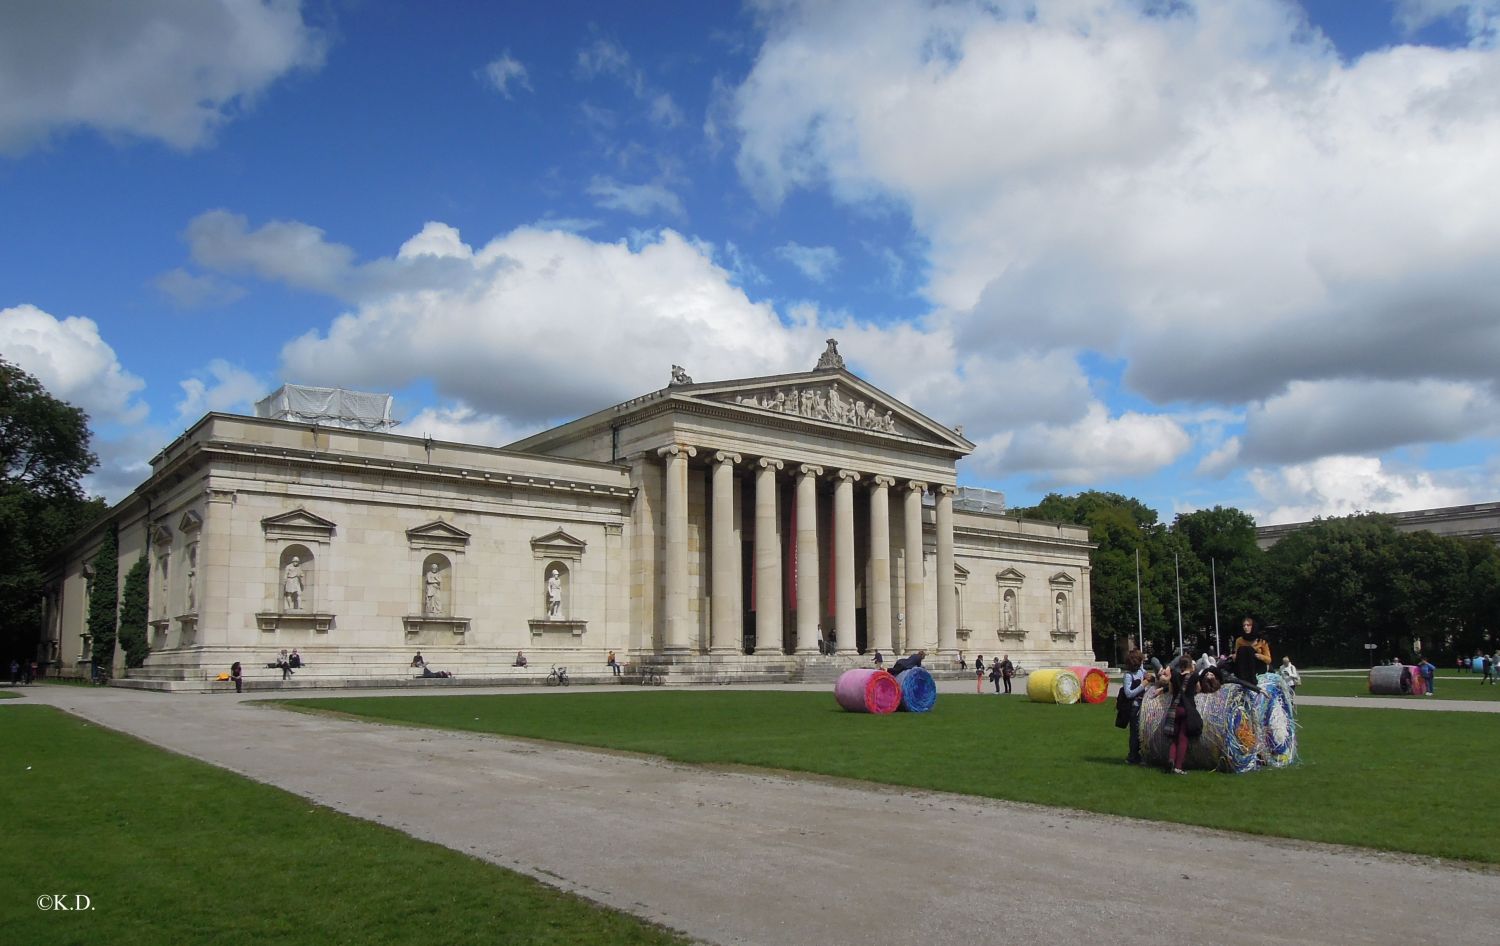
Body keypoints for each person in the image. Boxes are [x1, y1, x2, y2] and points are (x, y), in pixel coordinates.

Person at [1156, 656, 1207, 775]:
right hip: (1187, 709)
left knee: (1174, 738)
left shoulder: (1174, 676)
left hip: (1175, 709)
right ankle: (1178, 767)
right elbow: (1198, 689)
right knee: (1183, 737)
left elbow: (1170, 691)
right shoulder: (1194, 676)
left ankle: (1171, 759)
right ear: (1191, 665)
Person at [1119, 649, 1148, 764]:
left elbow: (1145, 674)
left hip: (1143, 704)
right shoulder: (1128, 676)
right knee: (1135, 732)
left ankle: (1141, 754)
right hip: (1134, 706)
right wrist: (1143, 685)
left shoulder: (1141, 671)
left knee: (1142, 731)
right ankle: (1132, 756)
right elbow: (1128, 693)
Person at [1232, 617, 1272, 682]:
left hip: (1258, 666)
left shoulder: (1261, 640)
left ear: (1253, 626)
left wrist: (1260, 656)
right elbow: (1237, 656)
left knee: (1248, 650)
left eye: (1248, 625)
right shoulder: (1239, 640)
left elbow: (1269, 660)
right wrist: (1235, 656)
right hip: (1244, 667)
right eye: (1244, 625)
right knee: (1244, 649)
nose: (1245, 627)